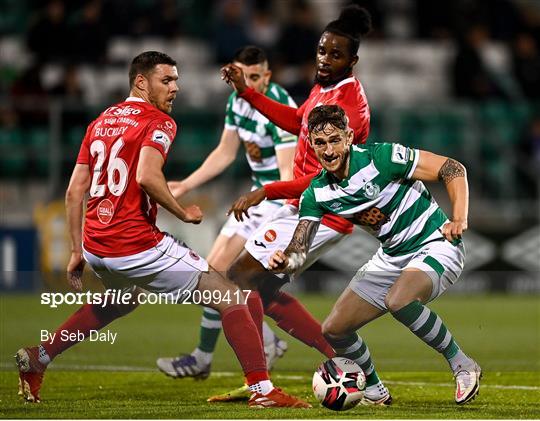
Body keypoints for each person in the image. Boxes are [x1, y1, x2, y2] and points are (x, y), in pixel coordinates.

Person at [14, 51, 310, 409]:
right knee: (229, 295)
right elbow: (147, 177)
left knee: (120, 301)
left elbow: (75, 189)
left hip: (97, 245)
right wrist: (182, 211)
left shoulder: (101, 120)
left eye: (176, 80)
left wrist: (77, 250)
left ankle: (39, 357)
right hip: (134, 244)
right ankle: (263, 391)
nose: (176, 88)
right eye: (166, 81)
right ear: (141, 82)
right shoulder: (158, 122)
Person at [214, 5, 392, 405]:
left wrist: (268, 189)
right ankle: (363, 378)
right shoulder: (325, 89)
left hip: (323, 211)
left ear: (353, 61)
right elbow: (297, 122)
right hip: (307, 207)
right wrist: (247, 92)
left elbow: (331, 174)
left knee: (237, 278)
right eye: (321, 51)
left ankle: (261, 386)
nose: (324, 60)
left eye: (335, 55)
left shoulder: (349, 102)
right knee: (266, 292)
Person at [268, 104, 482, 405]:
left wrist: (459, 217)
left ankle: (462, 364)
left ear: (349, 138)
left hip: (435, 242)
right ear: (310, 145)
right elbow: (299, 249)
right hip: (391, 257)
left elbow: (452, 168)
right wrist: (285, 259)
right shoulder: (317, 193)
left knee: (399, 300)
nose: (328, 150)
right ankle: (375, 390)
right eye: (319, 143)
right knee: (334, 330)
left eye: (334, 140)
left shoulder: (382, 158)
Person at [156, 46, 297, 380]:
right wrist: (185, 185)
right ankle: (260, 343)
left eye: (255, 77)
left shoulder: (281, 108)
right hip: (255, 201)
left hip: (276, 201)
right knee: (217, 274)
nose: (247, 82)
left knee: (223, 276)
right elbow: (224, 152)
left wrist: (286, 219)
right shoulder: (237, 100)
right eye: (243, 76)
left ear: (268, 76)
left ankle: (206, 357)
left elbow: (289, 173)